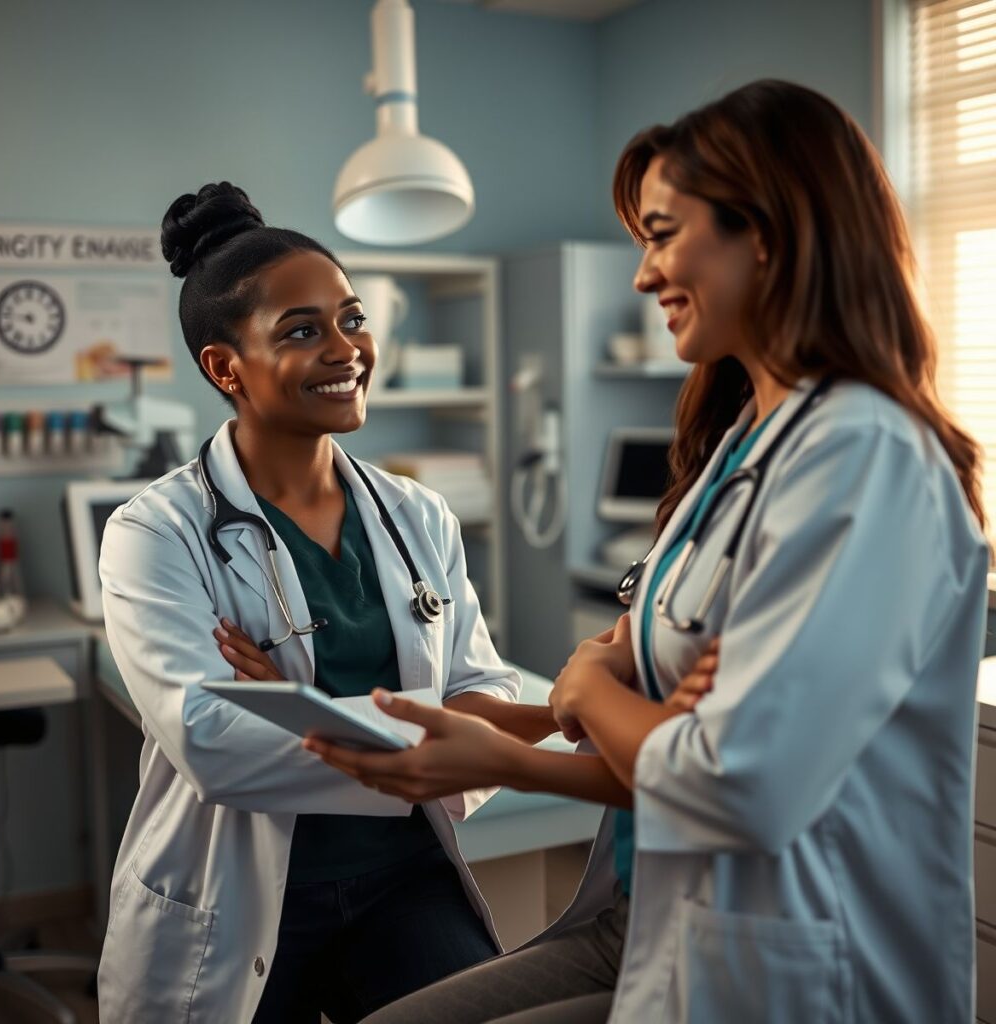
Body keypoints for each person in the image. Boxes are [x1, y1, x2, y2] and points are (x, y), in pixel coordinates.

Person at [307, 80, 991, 1023]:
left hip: (801, 957)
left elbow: (731, 779)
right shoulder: (747, 442)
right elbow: (653, 703)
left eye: (663, 234)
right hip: (660, 910)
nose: (640, 274)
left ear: (769, 232)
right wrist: (575, 712)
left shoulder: (864, 460)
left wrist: (590, 695)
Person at [97, 182, 562, 1023]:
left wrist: (295, 707)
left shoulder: (416, 513)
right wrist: (436, 726)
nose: (346, 348)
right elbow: (213, 742)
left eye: (352, 318)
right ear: (224, 368)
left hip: (402, 877)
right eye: (302, 331)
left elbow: (485, 688)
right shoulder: (156, 531)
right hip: (238, 891)